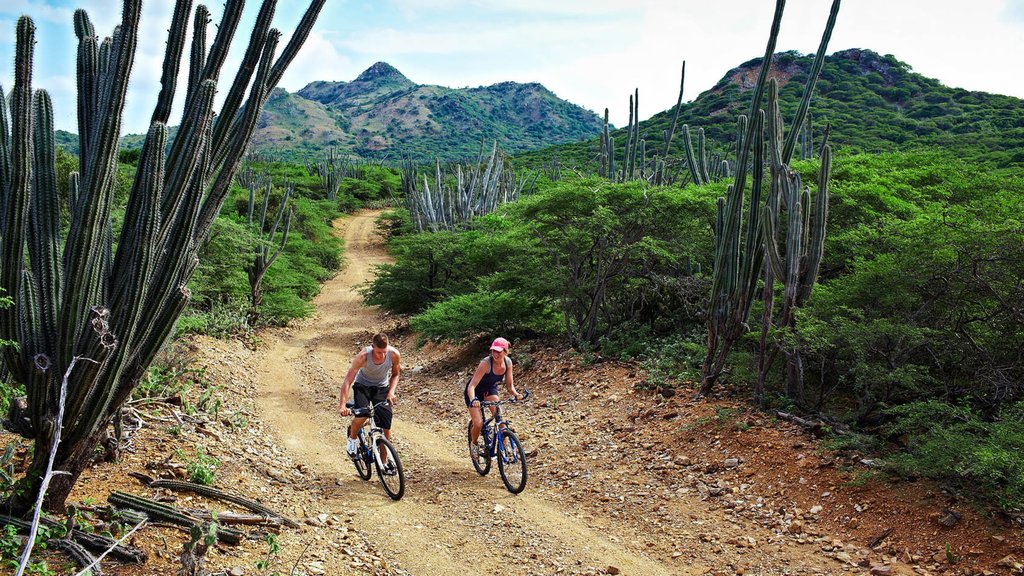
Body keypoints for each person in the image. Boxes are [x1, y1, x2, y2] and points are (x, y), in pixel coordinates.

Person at [338, 333, 401, 458]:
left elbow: (395, 374)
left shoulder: (394, 355)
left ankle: (384, 463)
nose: (382, 355)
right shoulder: (363, 356)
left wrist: (391, 392)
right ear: (372, 347)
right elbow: (348, 380)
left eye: (384, 352)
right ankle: (352, 439)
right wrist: (342, 405)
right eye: (378, 352)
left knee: (385, 427)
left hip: (381, 387)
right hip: (363, 386)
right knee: (363, 415)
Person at [466, 337, 522, 457]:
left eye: (498, 351)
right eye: (493, 351)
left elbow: (510, 386)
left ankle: (505, 448)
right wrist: (473, 399)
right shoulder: (486, 363)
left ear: (506, 351)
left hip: (489, 390)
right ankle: (474, 444)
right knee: (478, 423)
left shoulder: (508, 363)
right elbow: (472, 386)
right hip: (474, 391)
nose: (495, 354)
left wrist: (516, 394)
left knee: (500, 419)